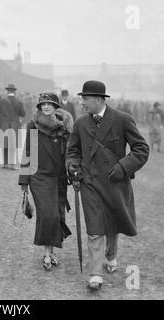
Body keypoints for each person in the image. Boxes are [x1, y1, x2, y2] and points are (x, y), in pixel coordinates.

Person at [66, 80, 149, 291]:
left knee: (112, 224)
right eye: (81, 98)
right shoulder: (80, 124)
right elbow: (72, 151)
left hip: (115, 182)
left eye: (85, 99)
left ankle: (111, 255)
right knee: (95, 227)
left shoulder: (122, 119)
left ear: (99, 99)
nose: (82, 103)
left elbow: (141, 149)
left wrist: (123, 167)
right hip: (89, 183)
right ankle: (95, 274)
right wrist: (73, 164)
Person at [19, 92, 72, 270]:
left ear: (56, 107)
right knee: (48, 215)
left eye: (49, 104)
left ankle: (51, 251)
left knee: (57, 215)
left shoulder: (65, 127)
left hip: (59, 178)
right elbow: (27, 152)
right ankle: (47, 254)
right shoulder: (33, 126)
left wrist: (73, 170)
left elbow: (70, 153)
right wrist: (24, 182)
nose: (46, 107)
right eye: (43, 104)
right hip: (39, 177)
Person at [0, 84, 25, 169]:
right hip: (14, 126)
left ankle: (4, 164)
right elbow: (23, 114)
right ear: (14, 91)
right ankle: (12, 164)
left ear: (7, 91)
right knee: (13, 145)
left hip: (4, 125)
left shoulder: (2, 101)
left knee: (5, 144)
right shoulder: (19, 102)